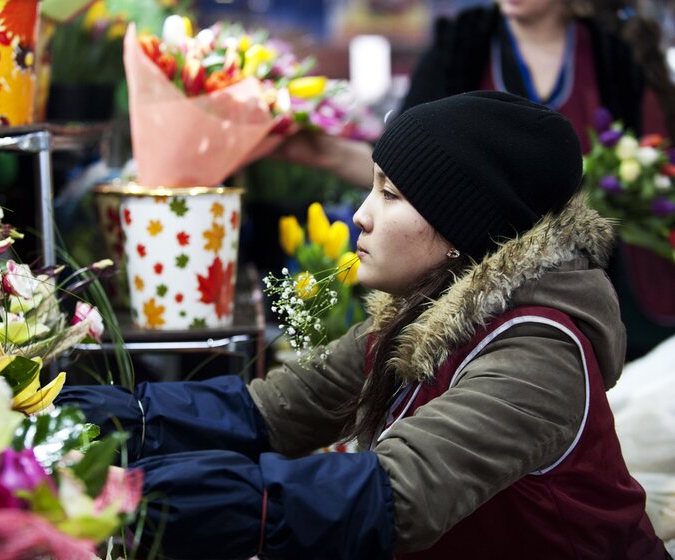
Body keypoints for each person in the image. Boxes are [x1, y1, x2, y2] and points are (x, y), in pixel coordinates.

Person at [58, 92, 669, 559]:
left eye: (392, 195)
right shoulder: (422, 319)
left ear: (464, 227)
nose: (361, 216)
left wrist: (136, 496)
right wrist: (68, 420)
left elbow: (393, 493)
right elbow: (271, 411)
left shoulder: (539, 353)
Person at [279, 0, 675, 360]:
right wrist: (326, 153)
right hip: (473, 286)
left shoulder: (614, 54)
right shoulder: (461, 45)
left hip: (597, 278)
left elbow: (656, 159)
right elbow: (403, 171)